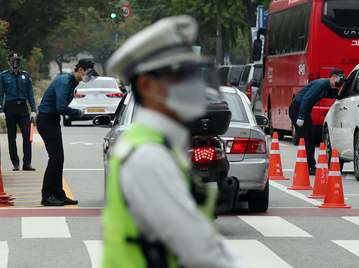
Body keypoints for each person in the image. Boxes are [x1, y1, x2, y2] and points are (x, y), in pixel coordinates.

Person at [102, 15, 240, 268]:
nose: (194, 85)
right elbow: (201, 252)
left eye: (194, 73)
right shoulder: (149, 155)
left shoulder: (154, 143)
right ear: (146, 85)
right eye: (181, 75)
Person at [38, 58, 98, 206]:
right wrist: (78, 113)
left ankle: (58, 193)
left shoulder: (72, 82)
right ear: (80, 70)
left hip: (52, 120)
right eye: (88, 73)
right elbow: (61, 107)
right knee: (55, 158)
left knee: (59, 158)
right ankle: (47, 195)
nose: (89, 76)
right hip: (46, 120)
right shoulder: (65, 82)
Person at [289, 68, 345, 175]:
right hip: (298, 109)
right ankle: (306, 165)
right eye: (339, 79)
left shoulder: (326, 87)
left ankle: (311, 164)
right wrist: (300, 117)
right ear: (333, 77)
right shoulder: (321, 84)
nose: (340, 82)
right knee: (304, 138)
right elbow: (305, 99)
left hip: (304, 111)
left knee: (311, 138)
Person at [0, 53, 37, 171]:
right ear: (9, 62)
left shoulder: (25, 75)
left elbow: (30, 93)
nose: (15, 63)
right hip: (10, 107)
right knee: (12, 136)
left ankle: (27, 162)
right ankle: (15, 163)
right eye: (12, 60)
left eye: (17, 60)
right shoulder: (4, 76)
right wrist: (1, 109)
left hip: (23, 107)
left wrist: (33, 109)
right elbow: (0, 94)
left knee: (26, 134)